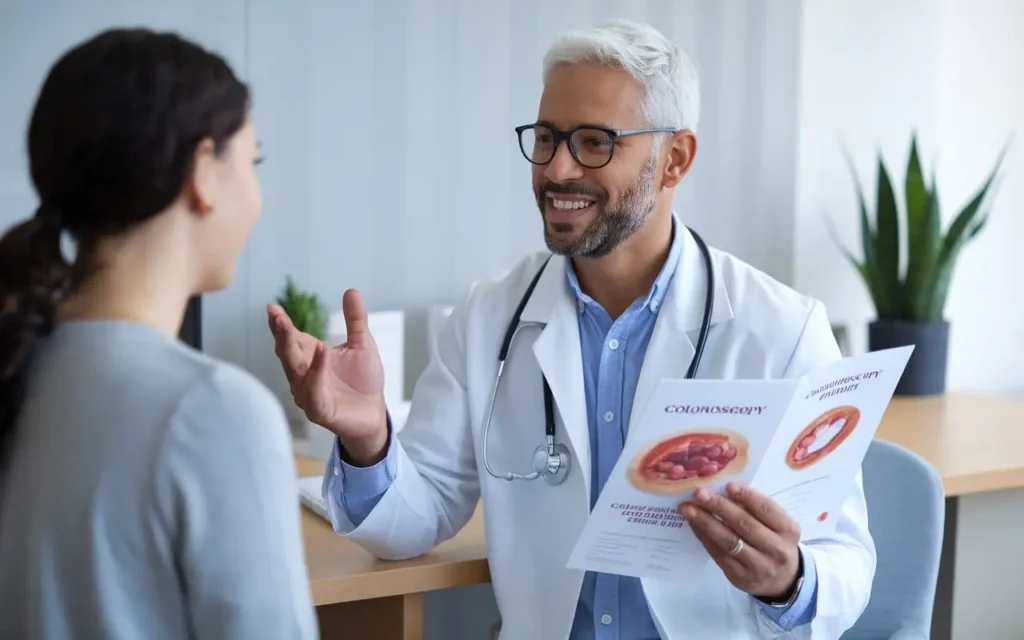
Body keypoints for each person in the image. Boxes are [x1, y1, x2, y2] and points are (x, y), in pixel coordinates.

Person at [269, 20, 873, 640]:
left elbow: (848, 563)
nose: (557, 169)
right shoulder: (488, 318)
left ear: (675, 159)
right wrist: (368, 439)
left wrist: (789, 578)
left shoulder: (782, 330)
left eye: (594, 142)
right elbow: (413, 524)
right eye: (548, 138)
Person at [0, 28, 317, 639]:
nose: (255, 192)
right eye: (251, 162)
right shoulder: (215, 412)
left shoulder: (20, 361)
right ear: (202, 173)